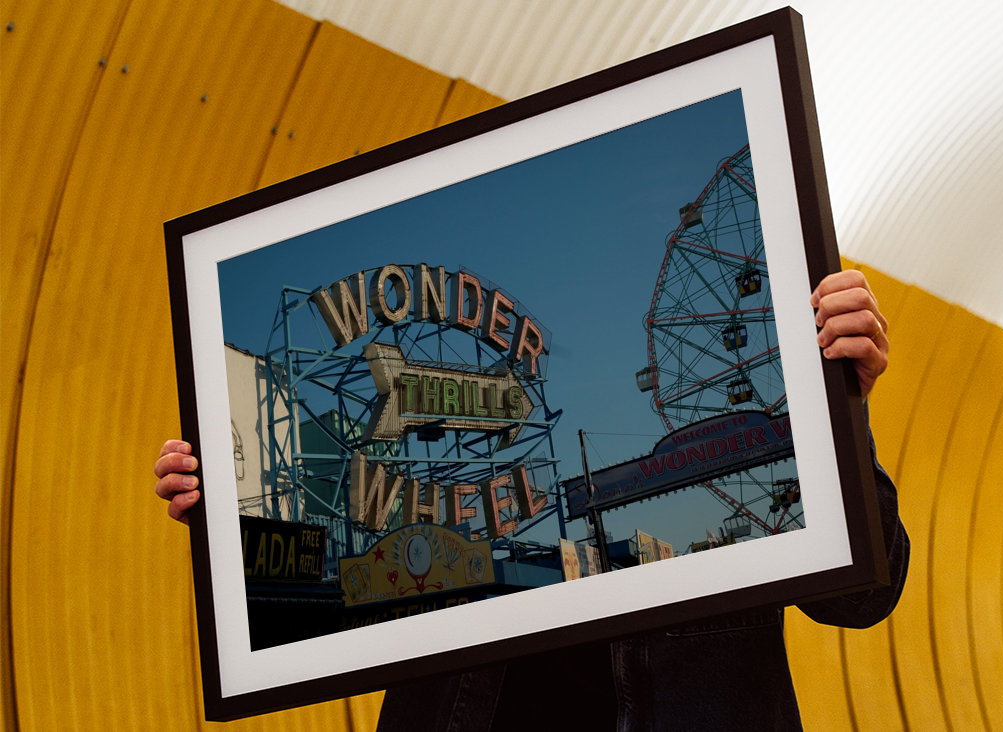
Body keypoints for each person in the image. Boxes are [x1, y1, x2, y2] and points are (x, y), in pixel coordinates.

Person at [155, 269, 908, 730]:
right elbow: (328, 594)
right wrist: (238, 513)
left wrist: (839, 406)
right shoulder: (443, 513)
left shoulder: (756, 457)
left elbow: (866, 595)